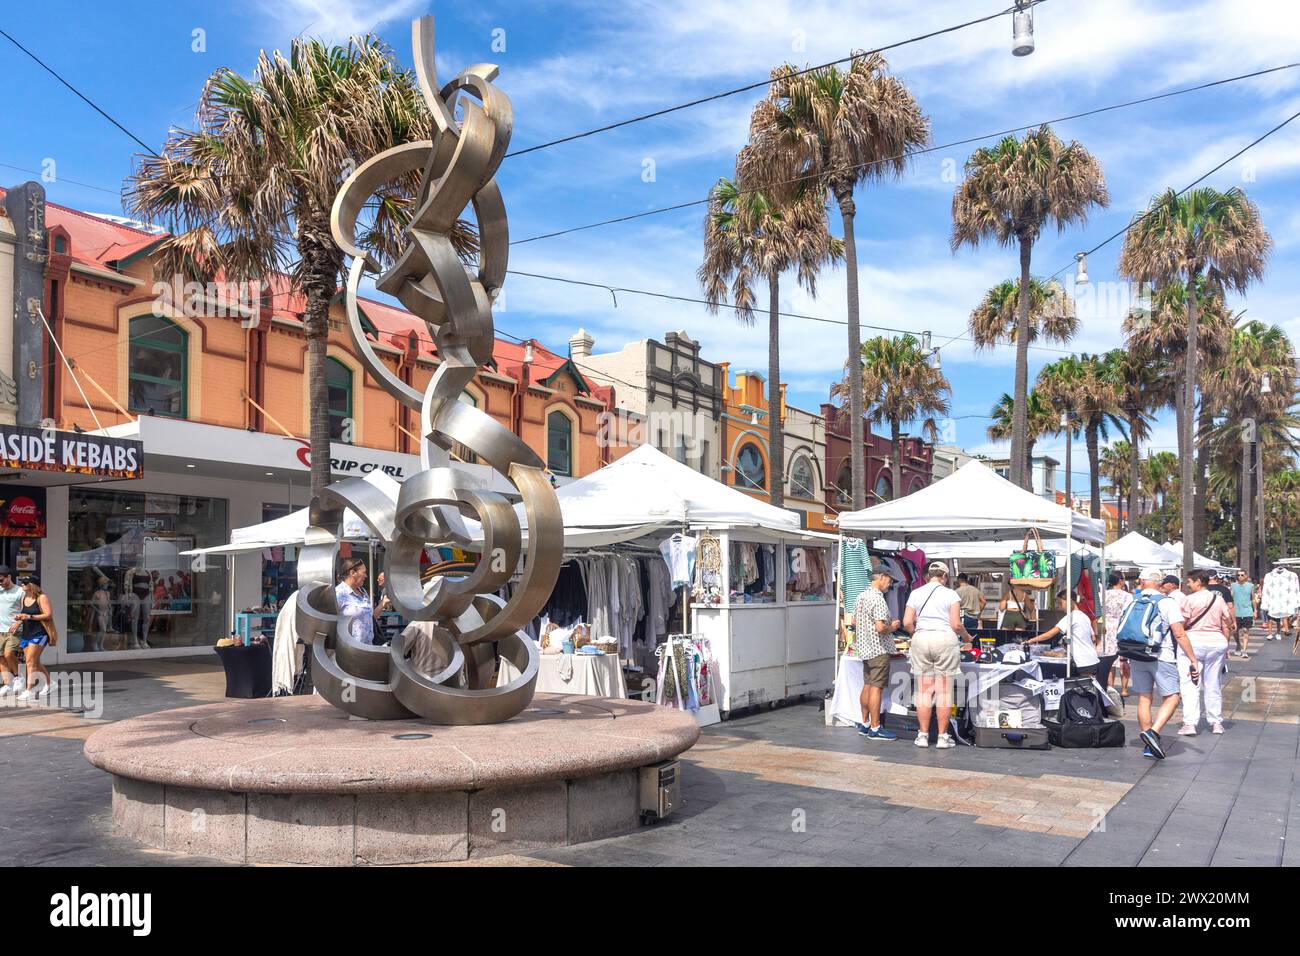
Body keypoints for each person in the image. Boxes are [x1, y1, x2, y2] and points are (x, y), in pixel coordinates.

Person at [1120, 568, 1199, 759]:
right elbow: (1179, 633)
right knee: (1173, 696)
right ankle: (1153, 732)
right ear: (1160, 583)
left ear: (1141, 581)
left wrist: (1123, 657)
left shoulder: (1131, 601)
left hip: (1137, 654)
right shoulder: (1167, 603)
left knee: (1144, 698)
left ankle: (1149, 745)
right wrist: (1193, 659)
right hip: (1162, 655)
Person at [903, 563, 971, 750]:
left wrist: (915, 633)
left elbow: (907, 622)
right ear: (945, 577)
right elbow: (956, 624)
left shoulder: (916, 593)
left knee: (924, 691)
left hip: (922, 638)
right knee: (943, 691)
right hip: (944, 639)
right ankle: (942, 737)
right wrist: (967, 638)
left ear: (927, 576)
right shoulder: (951, 594)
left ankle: (923, 735)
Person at [1177, 569, 1234, 736]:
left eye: (1189, 581)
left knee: (1190, 684)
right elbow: (1227, 623)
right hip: (1217, 643)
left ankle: (1190, 723)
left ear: (1198, 582)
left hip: (1193, 643)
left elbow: (1182, 623)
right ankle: (1216, 722)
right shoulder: (1219, 599)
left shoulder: (1189, 600)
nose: (1187, 585)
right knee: (1213, 683)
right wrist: (1226, 645)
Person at [850, 569, 900, 741]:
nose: (890, 584)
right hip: (878, 649)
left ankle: (865, 723)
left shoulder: (861, 596)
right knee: (876, 688)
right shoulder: (878, 598)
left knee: (868, 685)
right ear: (882, 577)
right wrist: (892, 626)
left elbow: (854, 621)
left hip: (864, 648)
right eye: (889, 580)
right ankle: (875, 727)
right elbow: (880, 627)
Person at [1024, 590, 1100, 676]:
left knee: (1082, 687)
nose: (1060, 607)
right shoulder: (1084, 616)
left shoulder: (1071, 617)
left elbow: (1050, 634)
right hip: (1092, 659)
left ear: (1069, 601)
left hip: (1083, 662)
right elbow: (1092, 637)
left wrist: (1030, 641)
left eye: (1061, 603)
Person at [12, 576, 55, 701]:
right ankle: (50, 683)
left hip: (39, 633)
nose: (22, 585)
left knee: (30, 661)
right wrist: (19, 620)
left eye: (25, 583)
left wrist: (30, 616)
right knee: (33, 661)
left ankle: (29, 690)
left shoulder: (42, 597)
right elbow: (25, 615)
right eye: (22, 583)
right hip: (27, 633)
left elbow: (48, 615)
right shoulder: (24, 598)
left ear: (33, 585)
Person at [1100, 572, 1133, 696]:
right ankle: (1124, 689)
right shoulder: (1127, 596)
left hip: (1106, 626)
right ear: (1120, 580)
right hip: (1121, 626)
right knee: (1123, 659)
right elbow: (1129, 613)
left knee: (1109, 657)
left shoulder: (1103, 594)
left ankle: (1110, 686)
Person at [334, 558, 374, 645]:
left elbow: (368, 617)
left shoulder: (363, 592)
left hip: (368, 649)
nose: (366, 576)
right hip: (349, 651)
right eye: (364, 572)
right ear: (352, 573)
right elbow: (330, 623)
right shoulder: (338, 593)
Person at [0, 566, 24, 697]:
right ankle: (7, 683)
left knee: (8, 654)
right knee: (1, 657)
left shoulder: (20, 591)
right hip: (0, 629)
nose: (0, 583)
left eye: (1, 580)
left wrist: (19, 622)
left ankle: (17, 677)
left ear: (9, 577)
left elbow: (27, 608)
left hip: (13, 630)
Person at [1260, 563, 1300, 641]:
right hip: (1273, 603)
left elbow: (1296, 589)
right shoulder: (1269, 576)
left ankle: (1278, 632)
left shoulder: (1292, 576)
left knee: (1279, 620)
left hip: (1285, 603)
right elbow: (1265, 590)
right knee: (1271, 620)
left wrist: (1296, 602)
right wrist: (1265, 604)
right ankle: (1271, 633)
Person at [1230, 569, 1255, 659]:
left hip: (1247, 611)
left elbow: (1252, 599)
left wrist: (1255, 610)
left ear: (1246, 576)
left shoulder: (1251, 586)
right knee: (1235, 631)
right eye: (1238, 575)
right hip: (1236, 612)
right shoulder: (1233, 585)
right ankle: (1238, 644)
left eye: (1242, 575)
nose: (1240, 577)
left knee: (1245, 630)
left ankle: (1244, 651)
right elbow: (1230, 598)